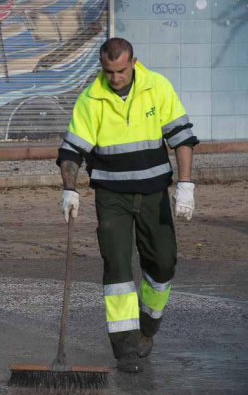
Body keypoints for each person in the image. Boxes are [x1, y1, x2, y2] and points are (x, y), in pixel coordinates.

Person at [56, 38, 197, 373]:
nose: (115, 78)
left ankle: (147, 327)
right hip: (112, 198)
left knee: (163, 264)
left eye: (120, 70)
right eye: (108, 71)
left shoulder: (157, 87)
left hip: (154, 194)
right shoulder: (91, 98)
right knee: (117, 268)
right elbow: (71, 152)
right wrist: (69, 189)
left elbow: (181, 137)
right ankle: (126, 349)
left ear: (134, 62)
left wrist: (186, 185)